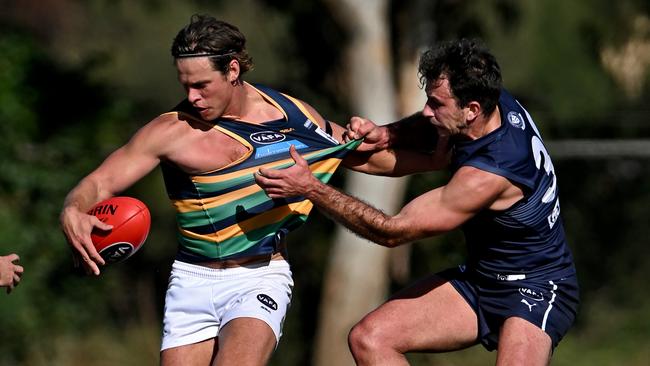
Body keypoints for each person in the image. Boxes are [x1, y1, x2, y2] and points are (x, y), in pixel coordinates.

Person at [59, 14, 425, 366]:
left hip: (260, 276)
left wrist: (453, 157)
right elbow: (99, 182)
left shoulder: (293, 115)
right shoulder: (171, 131)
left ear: (232, 70)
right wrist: (73, 209)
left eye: (202, 85)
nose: (193, 97)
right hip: (191, 280)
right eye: (184, 85)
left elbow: (366, 158)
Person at [255, 38, 579, 365]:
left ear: (472, 110)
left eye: (436, 104)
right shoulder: (491, 102)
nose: (427, 111)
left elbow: (392, 231)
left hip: (538, 288)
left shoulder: (488, 175)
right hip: (482, 280)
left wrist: (313, 189)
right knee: (370, 339)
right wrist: (387, 134)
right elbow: (428, 130)